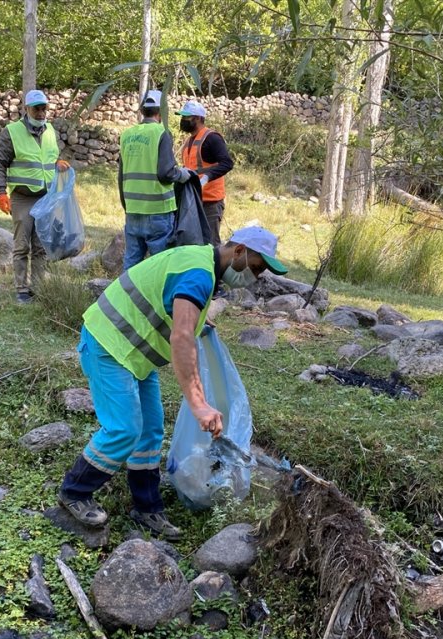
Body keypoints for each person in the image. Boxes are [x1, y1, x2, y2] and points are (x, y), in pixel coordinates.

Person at [56, 226, 288, 540]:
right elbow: (181, 338)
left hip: (135, 352)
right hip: (109, 343)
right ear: (239, 251)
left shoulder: (203, 267)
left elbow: (176, 306)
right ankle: (74, 491)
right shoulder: (199, 274)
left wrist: (198, 319)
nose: (255, 276)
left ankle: (146, 506)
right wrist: (199, 403)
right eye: (256, 267)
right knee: (124, 429)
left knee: (150, 430)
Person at [0, 89, 70, 303]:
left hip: (46, 197)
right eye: (37, 108)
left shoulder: (50, 131)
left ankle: (37, 288)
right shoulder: (12, 132)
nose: (41, 112)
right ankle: (21, 289)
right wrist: (1, 192)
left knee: (41, 246)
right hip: (22, 197)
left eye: (44, 107)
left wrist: (58, 164)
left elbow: (49, 157)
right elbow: (0, 163)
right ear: (26, 109)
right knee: (21, 245)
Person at [118, 89, 192, 270]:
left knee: (132, 262)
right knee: (159, 265)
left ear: (143, 110)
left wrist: (126, 205)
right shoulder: (161, 133)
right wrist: (182, 174)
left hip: (133, 209)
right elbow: (166, 173)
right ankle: (157, 298)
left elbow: (121, 175)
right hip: (158, 211)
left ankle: (126, 297)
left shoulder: (126, 135)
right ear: (162, 112)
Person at [177, 100, 234, 248]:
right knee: (192, 244)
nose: (183, 120)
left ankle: (214, 271)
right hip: (192, 201)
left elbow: (227, 163)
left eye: (186, 117)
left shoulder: (212, 138)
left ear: (198, 118)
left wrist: (207, 178)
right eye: (182, 117)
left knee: (210, 245)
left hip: (210, 202)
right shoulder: (189, 141)